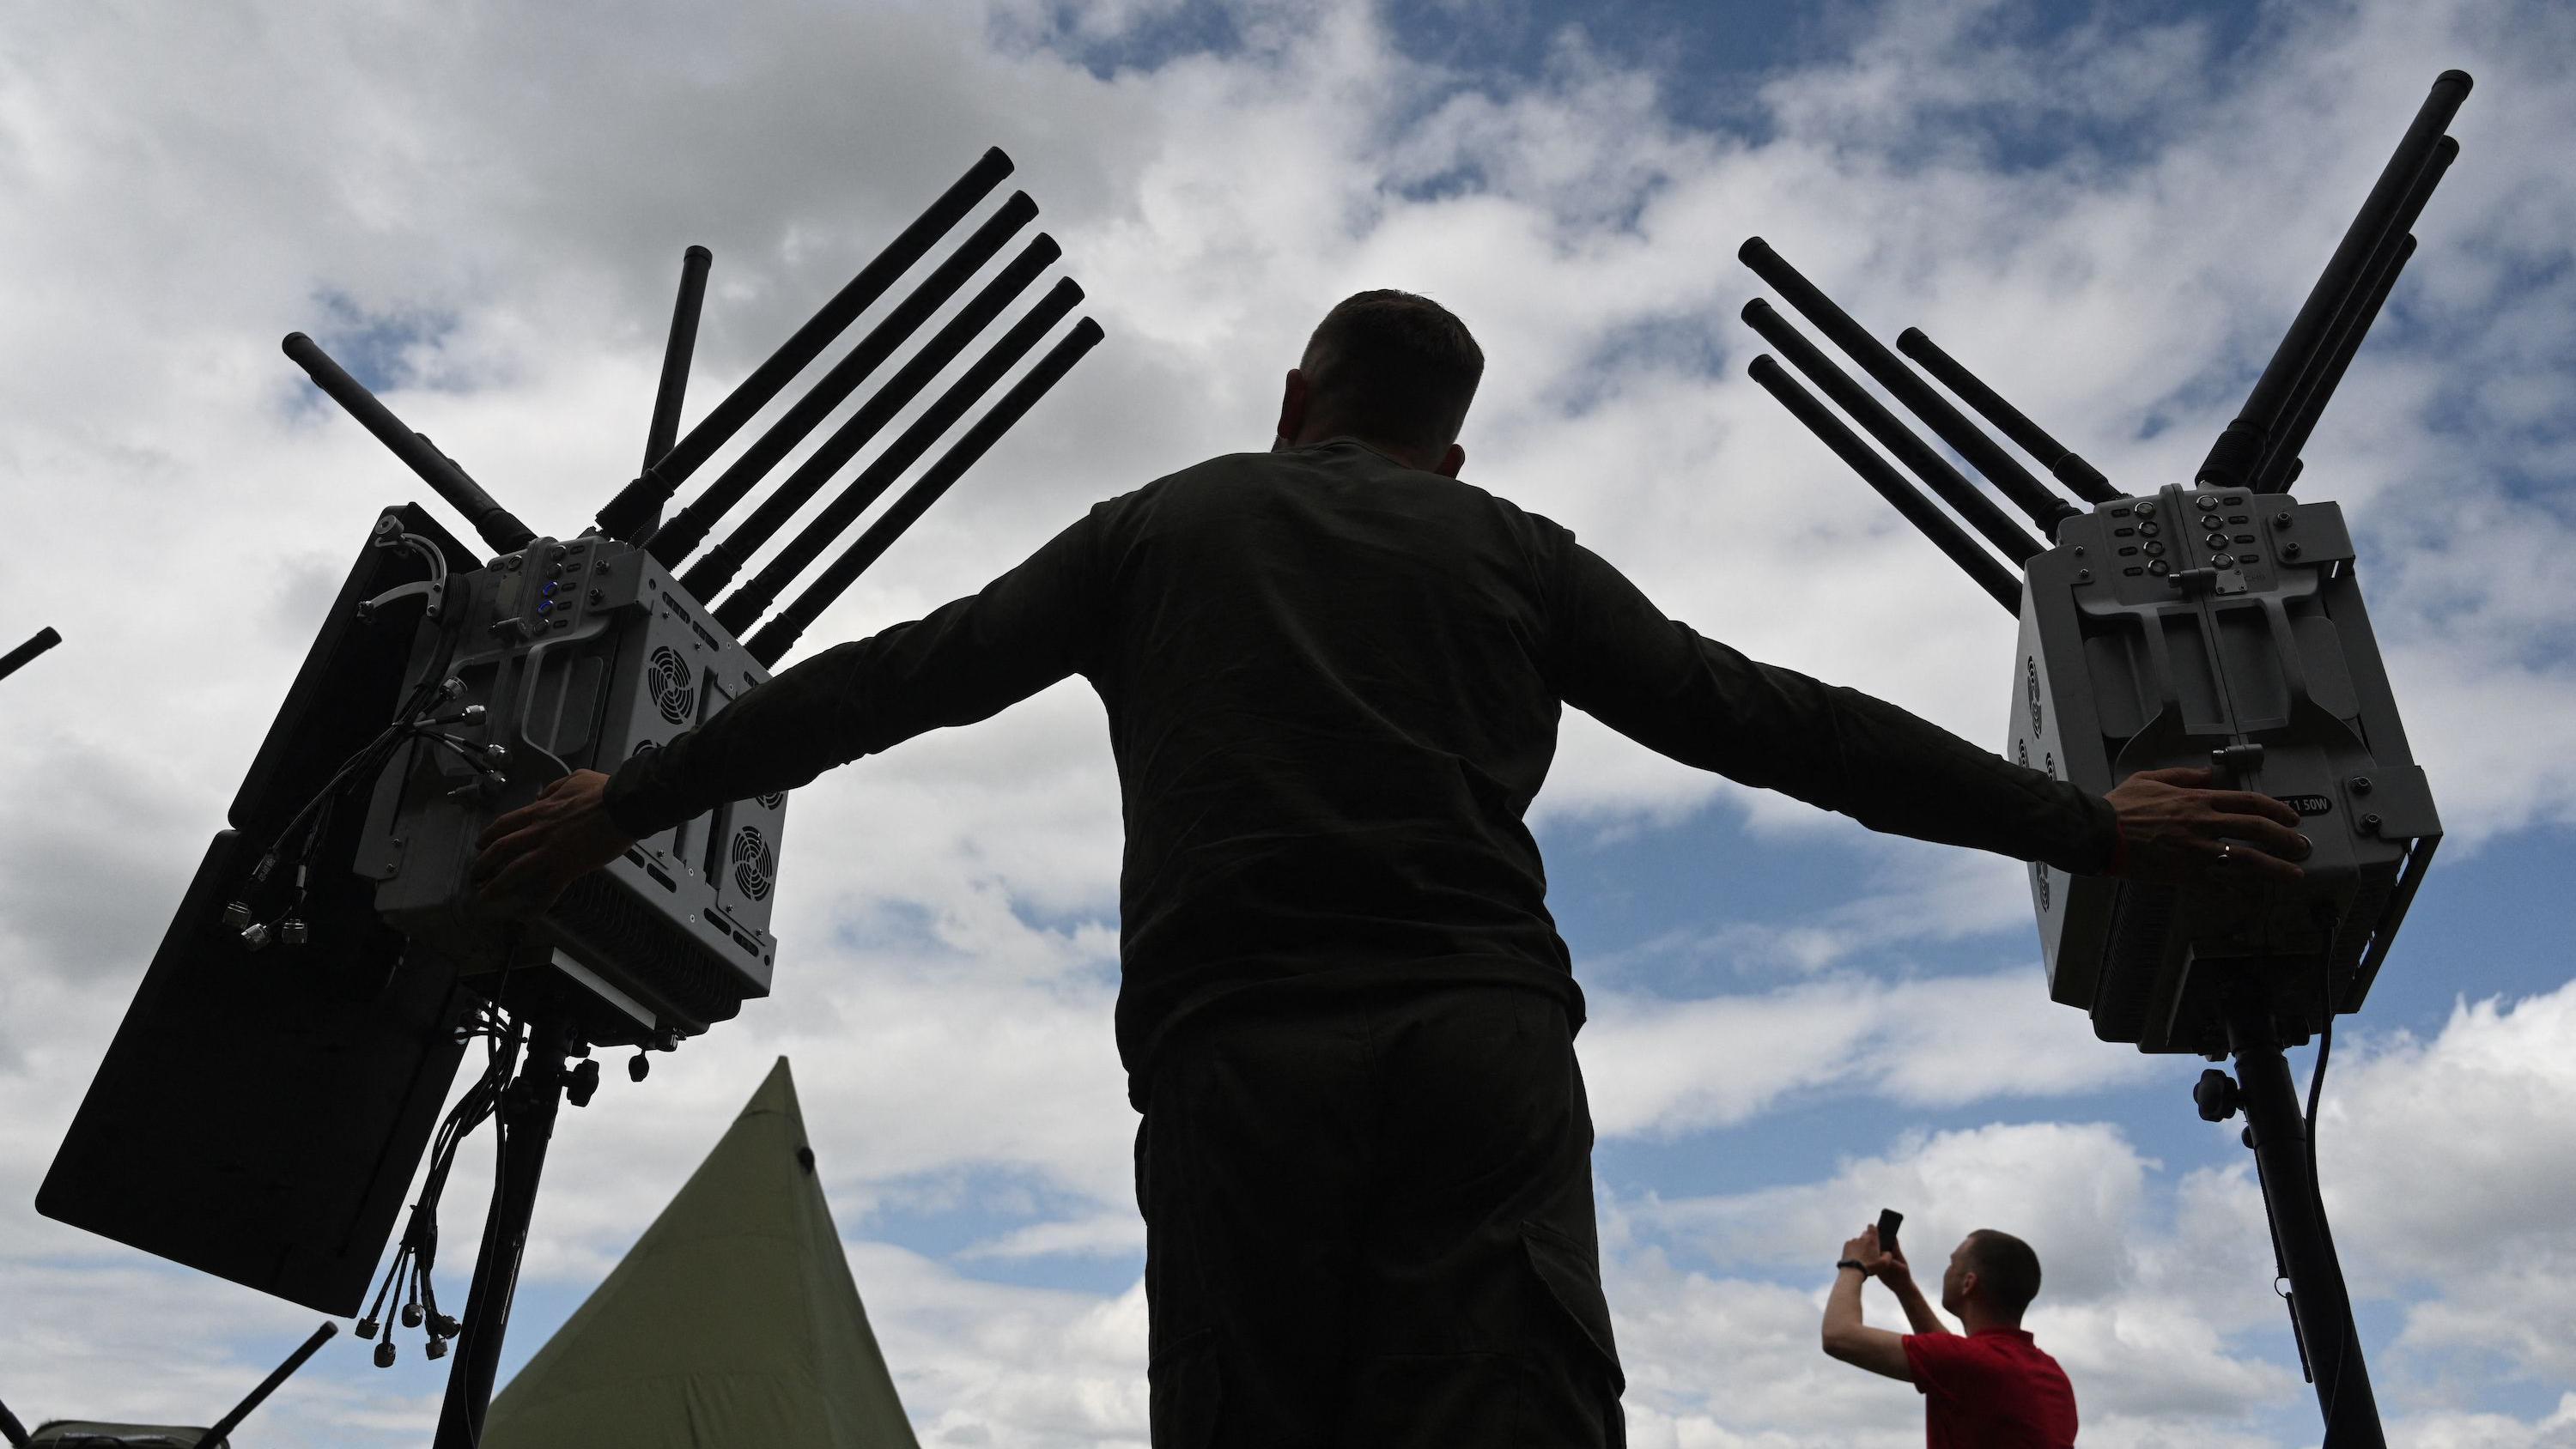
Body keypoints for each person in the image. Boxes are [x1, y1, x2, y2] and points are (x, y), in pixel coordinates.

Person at [471, 289, 2309, 1447]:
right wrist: (2094, 820)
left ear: (1292, 396)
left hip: (1234, 1060)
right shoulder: (1509, 546)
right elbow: (1778, 722)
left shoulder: (1156, 525)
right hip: (1476, 1049)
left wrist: (620, 803)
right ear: (1450, 443)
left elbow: (893, 681)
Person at [1823, 1223, 2079, 1447]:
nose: (1946, 1270)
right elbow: (1960, 1367)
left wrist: (1853, 1265)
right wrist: (1904, 1288)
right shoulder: (2051, 1373)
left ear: (1968, 1283)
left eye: (1952, 1263)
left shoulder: (1972, 1362)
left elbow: (1838, 1336)